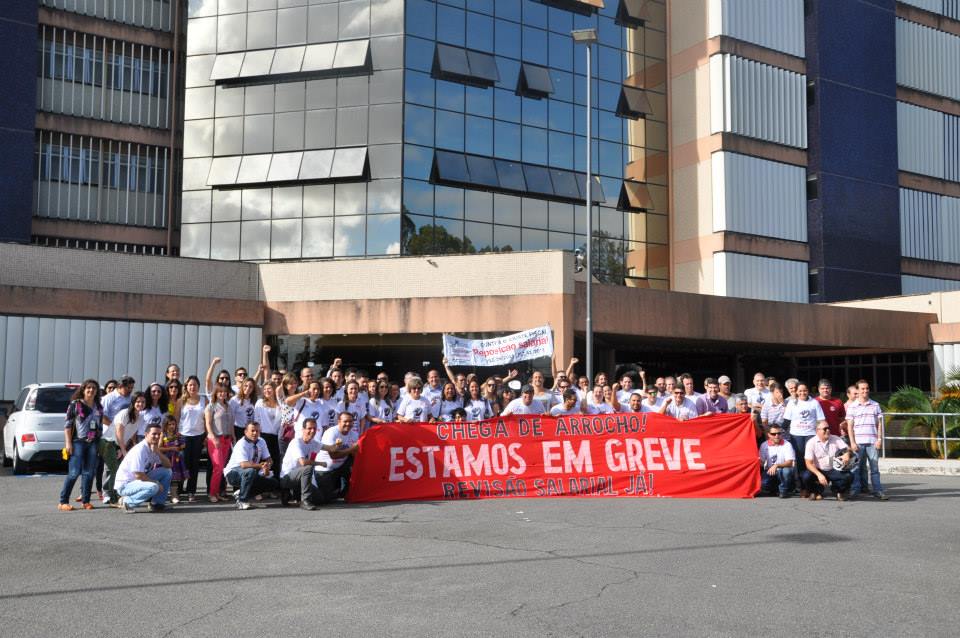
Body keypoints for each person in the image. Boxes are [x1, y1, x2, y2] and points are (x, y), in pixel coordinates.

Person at [58, 379, 104, 511]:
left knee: (89, 473)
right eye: (88, 388)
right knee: (74, 472)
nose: (91, 390)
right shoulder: (76, 404)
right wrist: (68, 443)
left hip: (93, 443)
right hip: (78, 442)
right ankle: (63, 501)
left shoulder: (99, 407)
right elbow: (67, 425)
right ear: (83, 390)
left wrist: (99, 443)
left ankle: (86, 501)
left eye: (94, 388)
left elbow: (100, 426)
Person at [115, 422, 172, 513]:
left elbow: (168, 465)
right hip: (125, 485)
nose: (157, 436)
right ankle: (127, 502)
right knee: (154, 487)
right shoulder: (140, 450)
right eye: (154, 434)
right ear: (146, 434)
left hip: (137, 481)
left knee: (167, 472)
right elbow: (138, 475)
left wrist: (158, 452)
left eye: (159, 434)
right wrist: (156, 482)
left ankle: (157, 504)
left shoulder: (153, 447)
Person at [102, 392, 147, 505]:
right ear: (133, 402)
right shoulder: (124, 413)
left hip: (122, 444)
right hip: (109, 442)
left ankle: (117, 494)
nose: (140, 404)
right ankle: (107, 495)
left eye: (142, 402)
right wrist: (123, 449)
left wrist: (134, 443)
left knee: (121, 470)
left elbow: (133, 431)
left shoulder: (140, 416)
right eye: (137, 401)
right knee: (111, 469)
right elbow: (119, 432)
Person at [846, 380, 888, 500]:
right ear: (858, 391)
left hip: (872, 442)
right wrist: (852, 442)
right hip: (858, 443)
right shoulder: (852, 407)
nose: (865, 391)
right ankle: (855, 490)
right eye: (862, 389)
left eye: (867, 388)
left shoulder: (875, 405)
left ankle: (878, 491)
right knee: (855, 468)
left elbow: (879, 424)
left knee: (874, 468)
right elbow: (849, 426)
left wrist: (879, 439)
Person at [783, 383, 826, 498]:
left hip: (811, 435)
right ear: (796, 392)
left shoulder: (814, 402)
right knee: (800, 463)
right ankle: (803, 488)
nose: (802, 393)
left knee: (813, 461)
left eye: (805, 390)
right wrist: (778, 435)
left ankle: (816, 489)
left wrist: (823, 434)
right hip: (796, 436)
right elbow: (786, 421)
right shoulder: (792, 403)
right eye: (800, 391)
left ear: (808, 391)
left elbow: (821, 420)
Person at [224, 421, 279, 509]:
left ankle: (241, 493)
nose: (255, 433)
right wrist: (261, 466)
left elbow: (269, 459)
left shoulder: (261, 441)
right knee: (250, 471)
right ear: (245, 432)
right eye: (252, 431)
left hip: (251, 471)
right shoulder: (241, 444)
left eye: (257, 431)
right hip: (233, 473)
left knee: (273, 483)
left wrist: (267, 466)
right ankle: (242, 501)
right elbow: (243, 465)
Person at [314, 412, 360, 504]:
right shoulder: (331, 432)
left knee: (353, 462)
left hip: (341, 466)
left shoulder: (354, 434)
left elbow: (355, 454)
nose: (348, 424)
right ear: (339, 421)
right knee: (325, 500)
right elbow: (333, 455)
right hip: (325, 468)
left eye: (351, 421)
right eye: (345, 421)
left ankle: (343, 491)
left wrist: (356, 472)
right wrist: (352, 449)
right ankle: (334, 492)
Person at [279, 418, 324, 509]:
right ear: (303, 429)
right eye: (309, 428)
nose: (312, 431)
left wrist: (338, 445)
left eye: (314, 429)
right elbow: (303, 462)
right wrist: (319, 463)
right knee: (307, 468)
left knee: (320, 499)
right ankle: (304, 501)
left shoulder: (313, 442)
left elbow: (330, 448)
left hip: (301, 478)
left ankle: (295, 495)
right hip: (287, 478)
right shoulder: (296, 442)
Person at [803, 423, 854, 501]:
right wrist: (819, 475)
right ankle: (814, 492)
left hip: (833, 468)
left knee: (849, 476)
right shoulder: (811, 442)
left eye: (828, 428)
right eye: (825, 429)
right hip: (819, 469)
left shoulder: (835, 438)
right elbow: (808, 463)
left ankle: (838, 491)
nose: (828, 430)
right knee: (806, 476)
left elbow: (848, 449)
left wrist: (847, 454)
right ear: (817, 431)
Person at [177, 375, 207, 502]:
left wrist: (206, 435)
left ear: (198, 386)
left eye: (195, 384)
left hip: (198, 436)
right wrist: (176, 435)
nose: (192, 387)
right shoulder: (181, 401)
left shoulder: (204, 400)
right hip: (184, 435)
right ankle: (177, 490)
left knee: (194, 465)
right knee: (182, 464)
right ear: (186, 387)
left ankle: (191, 492)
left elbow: (207, 419)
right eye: (190, 385)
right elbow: (177, 419)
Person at [204, 384, 235, 503]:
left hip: (227, 439)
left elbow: (232, 424)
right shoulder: (211, 406)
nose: (222, 394)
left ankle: (218, 492)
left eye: (225, 392)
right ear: (215, 393)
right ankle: (212, 493)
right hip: (216, 439)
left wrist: (233, 436)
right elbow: (208, 423)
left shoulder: (229, 406)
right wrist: (212, 436)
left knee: (223, 468)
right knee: (218, 467)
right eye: (220, 392)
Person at [255, 381, 283, 477]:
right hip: (263, 436)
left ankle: (275, 487)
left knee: (275, 461)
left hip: (276, 437)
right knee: (264, 462)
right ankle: (263, 486)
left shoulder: (280, 403)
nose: (267, 391)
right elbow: (256, 420)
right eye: (265, 389)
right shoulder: (260, 403)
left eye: (269, 388)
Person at [758, 425, 795, 498]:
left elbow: (790, 462)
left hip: (783, 470)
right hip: (770, 471)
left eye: (779, 433)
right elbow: (761, 463)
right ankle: (775, 489)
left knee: (786, 472)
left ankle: (783, 490)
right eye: (773, 434)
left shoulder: (787, 444)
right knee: (764, 484)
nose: (777, 436)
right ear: (768, 434)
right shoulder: (764, 445)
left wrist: (776, 465)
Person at [158, 414, 187, 504]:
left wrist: (182, 445)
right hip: (166, 459)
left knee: (175, 479)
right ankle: (161, 496)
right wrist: (170, 448)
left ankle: (174, 495)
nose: (171, 426)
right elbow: (159, 448)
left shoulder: (178, 434)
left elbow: (183, 444)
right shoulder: (163, 434)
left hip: (176, 459)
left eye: (173, 424)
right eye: (169, 424)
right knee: (164, 478)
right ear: (165, 425)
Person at [230, 377, 259, 441]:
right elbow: (230, 419)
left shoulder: (254, 400)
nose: (248, 388)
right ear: (242, 386)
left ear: (253, 389)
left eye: (250, 387)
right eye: (246, 385)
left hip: (250, 430)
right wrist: (233, 435)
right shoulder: (234, 400)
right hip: (238, 430)